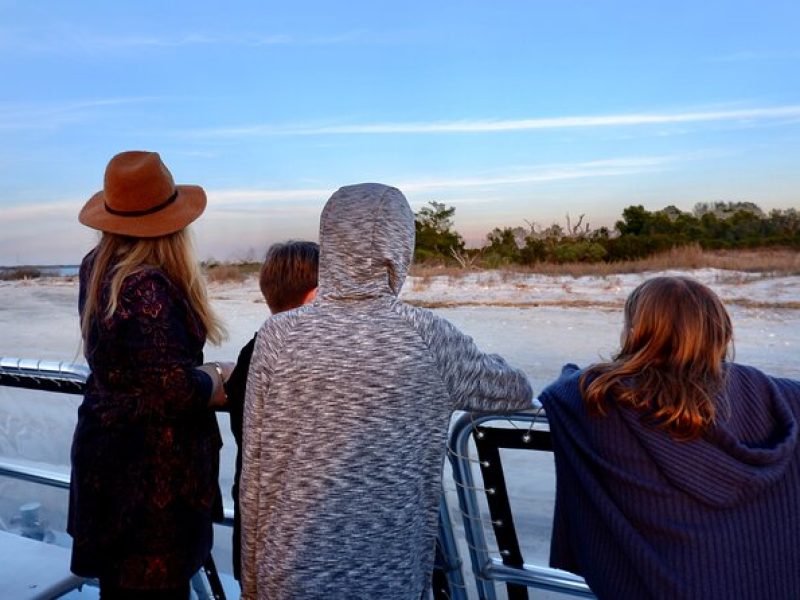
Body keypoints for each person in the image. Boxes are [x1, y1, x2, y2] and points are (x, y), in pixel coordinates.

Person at [239, 183, 533, 599]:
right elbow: (515, 389)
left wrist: (252, 584)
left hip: (289, 570)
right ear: (400, 249)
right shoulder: (428, 335)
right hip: (388, 575)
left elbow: (255, 469)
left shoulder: (278, 334)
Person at [539, 276, 800, 600]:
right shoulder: (775, 394)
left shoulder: (598, 398)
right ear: (721, 332)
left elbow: (563, 389)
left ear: (635, 332)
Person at [68, 150, 234, 599]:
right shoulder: (147, 285)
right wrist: (217, 375)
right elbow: (171, 390)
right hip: (150, 480)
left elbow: (135, 372)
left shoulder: (98, 266)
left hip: (108, 458)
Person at [223, 240, 319, 582]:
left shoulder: (256, 349)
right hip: (298, 544)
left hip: (255, 536)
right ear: (315, 294)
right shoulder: (307, 359)